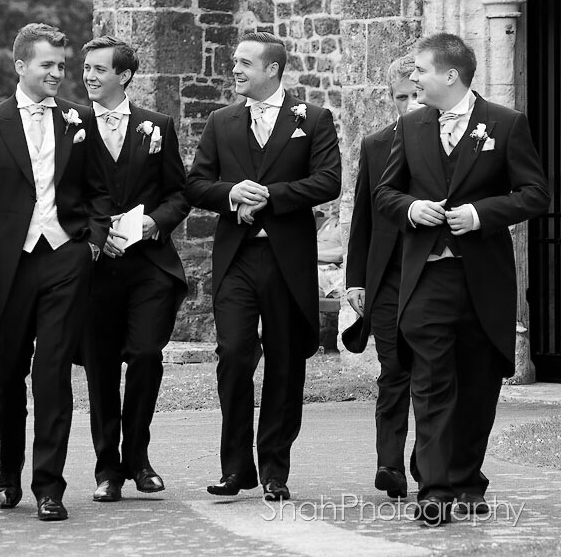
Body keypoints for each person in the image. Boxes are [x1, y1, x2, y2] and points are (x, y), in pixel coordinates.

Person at [375, 33, 550, 525]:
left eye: (421, 71)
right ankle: (433, 490)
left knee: (476, 385)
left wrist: (481, 214)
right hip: (427, 281)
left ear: (450, 76)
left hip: (482, 282)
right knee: (430, 385)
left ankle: (467, 480)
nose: (413, 79)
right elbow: (384, 194)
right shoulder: (410, 128)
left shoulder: (505, 124)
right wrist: (412, 207)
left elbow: (536, 194)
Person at [0, 23, 111, 521]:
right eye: (47, 64)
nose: (57, 73)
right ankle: (9, 467)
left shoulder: (79, 118)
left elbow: (98, 190)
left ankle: (50, 486)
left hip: (65, 258)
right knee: (7, 371)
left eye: (61, 65)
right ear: (21, 65)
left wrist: (90, 241)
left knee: (52, 374)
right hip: (8, 267)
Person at [185, 32, 341, 500]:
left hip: (286, 261)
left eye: (244, 62)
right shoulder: (220, 121)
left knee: (285, 363)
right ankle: (236, 468)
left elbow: (328, 181)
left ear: (272, 69)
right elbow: (195, 184)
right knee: (233, 355)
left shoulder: (312, 119)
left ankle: (275, 468)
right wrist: (231, 193)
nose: (234, 69)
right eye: (235, 61)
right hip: (236, 259)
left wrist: (271, 196)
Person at [78, 36, 190, 502]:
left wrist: (152, 223)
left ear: (123, 76)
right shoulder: (71, 125)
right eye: (85, 68)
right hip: (94, 267)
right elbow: (61, 193)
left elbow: (179, 194)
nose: (88, 76)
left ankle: (139, 458)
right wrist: (95, 234)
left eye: (99, 69)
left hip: (148, 266)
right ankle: (108, 469)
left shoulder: (157, 126)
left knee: (146, 354)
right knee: (100, 367)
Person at [345, 54, 421, 499]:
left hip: (430, 274)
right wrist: (356, 279)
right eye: (401, 97)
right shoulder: (376, 144)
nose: (409, 104)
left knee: (429, 373)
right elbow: (363, 218)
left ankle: (423, 461)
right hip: (388, 278)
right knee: (393, 369)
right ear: (391, 98)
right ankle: (389, 464)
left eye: (416, 95)